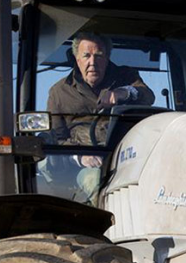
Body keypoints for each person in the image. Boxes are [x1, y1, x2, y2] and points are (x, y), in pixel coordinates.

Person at [42, 32, 154, 200]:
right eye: (86, 56)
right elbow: (57, 138)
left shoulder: (126, 77)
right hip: (85, 168)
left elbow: (148, 96)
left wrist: (124, 92)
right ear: (76, 59)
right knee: (96, 181)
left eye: (99, 56)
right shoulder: (58, 93)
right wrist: (81, 157)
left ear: (107, 58)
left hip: (127, 157)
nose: (92, 62)